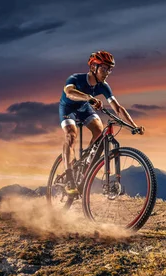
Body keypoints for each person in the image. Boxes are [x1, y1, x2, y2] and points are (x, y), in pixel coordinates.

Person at [59, 50, 145, 194]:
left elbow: (117, 108)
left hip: (84, 107)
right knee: (71, 136)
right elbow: (69, 93)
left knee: (99, 132)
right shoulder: (75, 78)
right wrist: (89, 97)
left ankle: (87, 163)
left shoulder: (103, 86)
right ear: (93, 67)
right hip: (68, 108)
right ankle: (69, 177)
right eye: (104, 68)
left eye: (109, 69)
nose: (106, 73)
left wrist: (133, 126)